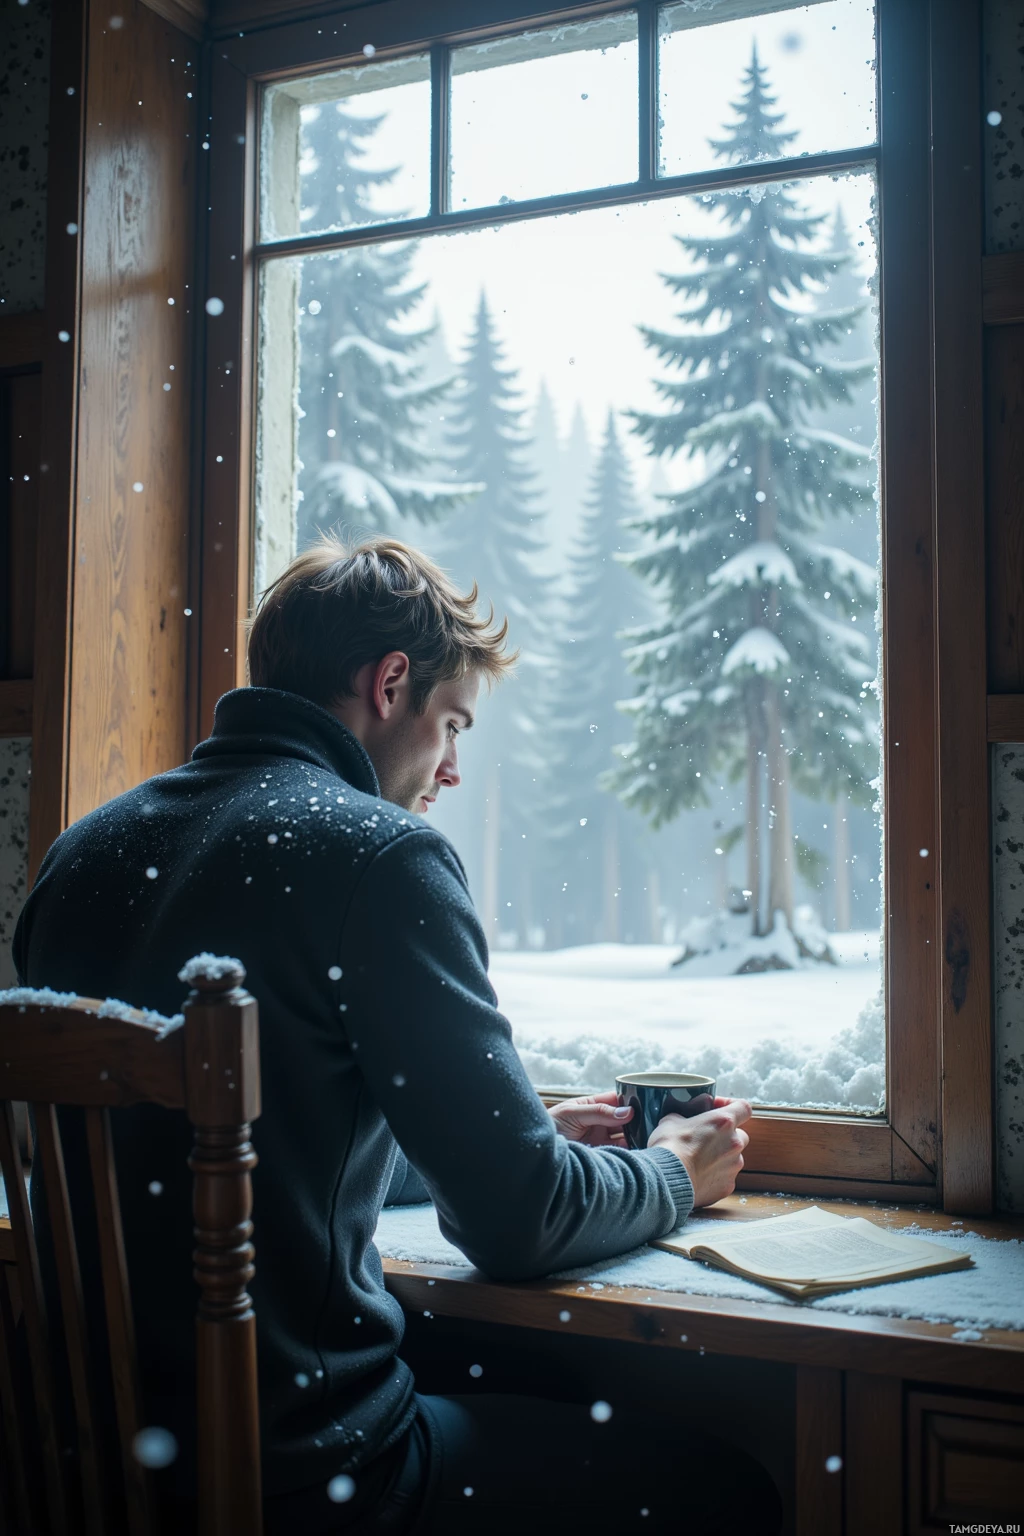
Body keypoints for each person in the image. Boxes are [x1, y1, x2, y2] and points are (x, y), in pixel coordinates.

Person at [14, 536, 781, 1535]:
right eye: (452, 725)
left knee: (527, 1375)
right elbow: (518, 1225)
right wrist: (676, 1172)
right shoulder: (377, 858)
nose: (452, 770)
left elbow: (250, 1141)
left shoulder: (84, 853)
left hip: (87, 1468)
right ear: (389, 685)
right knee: (731, 1489)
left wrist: (503, 1136)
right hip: (308, 1486)